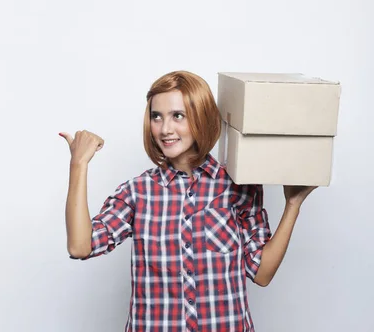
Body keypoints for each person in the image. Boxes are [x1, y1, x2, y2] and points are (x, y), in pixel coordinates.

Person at [59, 70, 317, 332]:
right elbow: (80, 247)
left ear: (201, 118)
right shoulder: (137, 192)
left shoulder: (239, 187)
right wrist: (78, 164)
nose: (165, 129)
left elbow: (261, 273)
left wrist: (293, 204)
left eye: (177, 116)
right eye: (156, 117)